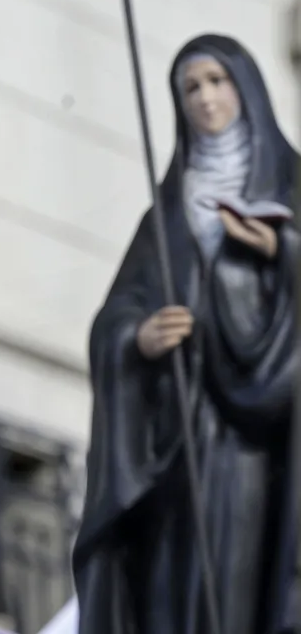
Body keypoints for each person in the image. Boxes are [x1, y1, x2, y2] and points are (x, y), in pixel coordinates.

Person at [73, 33, 298, 634]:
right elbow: (117, 314)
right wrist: (136, 339)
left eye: (217, 81)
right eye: (189, 87)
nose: (204, 98)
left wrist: (282, 249)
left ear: (245, 88)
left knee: (241, 576)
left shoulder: (291, 187)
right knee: (173, 581)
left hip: (254, 432)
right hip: (179, 427)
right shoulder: (168, 211)